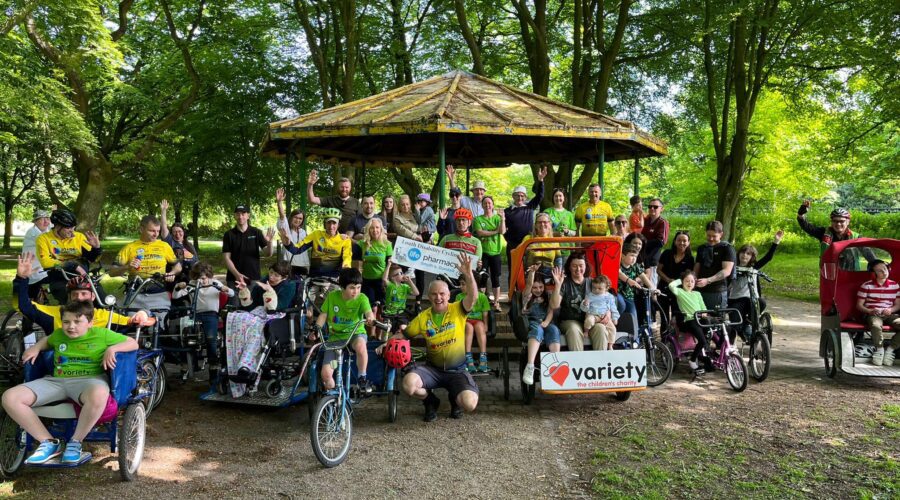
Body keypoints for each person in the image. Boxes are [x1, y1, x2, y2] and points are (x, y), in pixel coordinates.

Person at [1, 301, 138, 464]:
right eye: (66, 322)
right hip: (57, 381)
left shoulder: (102, 334)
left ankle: (75, 442)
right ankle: (48, 443)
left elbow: (133, 343)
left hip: (89, 380)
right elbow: (47, 341)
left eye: (77, 321)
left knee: (100, 393)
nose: (71, 326)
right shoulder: (59, 334)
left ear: (90, 322)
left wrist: (112, 349)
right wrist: (36, 347)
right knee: (10, 397)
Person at [388, 253, 479, 421]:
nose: (438, 297)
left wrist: (468, 274)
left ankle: (455, 399)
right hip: (433, 370)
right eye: (434, 294)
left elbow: (473, 297)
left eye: (442, 294)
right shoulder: (423, 317)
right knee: (409, 385)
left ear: (449, 295)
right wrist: (385, 343)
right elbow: (403, 335)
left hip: (457, 370)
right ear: (428, 296)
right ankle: (430, 401)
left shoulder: (458, 309)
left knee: (470, 403)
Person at [14, 253, 135, 334]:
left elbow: (134, 322)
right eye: (75, 294)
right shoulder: (55, 314)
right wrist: (21, 279)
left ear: (93, 296)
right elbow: (23, 306)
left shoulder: (105, 317)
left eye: (84, 294)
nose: (79, 298)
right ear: (69, 297)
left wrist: (142, 315)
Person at [110, 215, 181, 325]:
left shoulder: (164, 246)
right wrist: (127, 267)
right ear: (141, 229)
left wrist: (171, 273)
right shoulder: (129, 247)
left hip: (158, 294)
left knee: (160, 326)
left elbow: (178, 267)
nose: (156, 234)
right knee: (130, 325)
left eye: (158, 231)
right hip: (135, 294)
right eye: (152, 231)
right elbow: (112, 272)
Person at [314, 268, 376, 393]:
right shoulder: (332, 297)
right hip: (336, 338)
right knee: (326, 375)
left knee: (360, 346)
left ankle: (362, 377)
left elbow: (368, 312)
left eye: (358, 287)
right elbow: (323, 315)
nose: (356, 291)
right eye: (352, 288)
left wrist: (370, 318)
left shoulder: (362, 298)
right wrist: (316, 329)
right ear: (342, 287)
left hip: (355, 334)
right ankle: (334, 396)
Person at [173, 262, 234, 380]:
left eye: (205, 278)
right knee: (184, 334)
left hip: (211, 314)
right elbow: (176, 296)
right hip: (195, 315)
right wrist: (178, 287)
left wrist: (225, 289)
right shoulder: (192, 285)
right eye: (200, 278)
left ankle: (213, 365)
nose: (203, 281)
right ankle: (186, 364)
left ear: (209, 276)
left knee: (211, 337)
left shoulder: (215, 284)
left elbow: (231, 293)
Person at [35, 209, 102, 304]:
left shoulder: (79, 237)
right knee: (72, 304)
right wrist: (72, 265)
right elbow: (45, 263)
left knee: (103, 301)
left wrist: (96, 248)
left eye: (73, 228)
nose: (72, 232)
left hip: (82, 279)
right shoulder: (43, 239)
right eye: (69, 228)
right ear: (57, 226)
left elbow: (91, 258)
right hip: (60, 278)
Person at [728, 230, 783, 342]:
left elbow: (768, 258)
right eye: (743, 252)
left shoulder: (754, 267)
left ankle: (749, 323)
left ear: (752, 257)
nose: (744, 255)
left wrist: (776, 242)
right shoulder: (732, 267)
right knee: (736, 325)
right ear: (738, 254)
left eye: (748, 254)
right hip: (736, 299)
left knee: (762, 302)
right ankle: (733, 341)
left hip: (750, 299)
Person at [550, 252, 611, 351]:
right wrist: (558, 285)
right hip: (569, 321)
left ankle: (601, 360)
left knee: (601, 329)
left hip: (591, 319)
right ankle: (578, 360)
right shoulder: (564, 283)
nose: (578, 269)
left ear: (585, 266)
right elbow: (554, 305)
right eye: (574, 266)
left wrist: (608, 313)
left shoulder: (593, 283)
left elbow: (606, 300)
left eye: (581, 266)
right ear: (569, 267)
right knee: (574, 330)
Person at [281, 207, 352, 278]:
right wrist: (287, 243)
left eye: (334, 223)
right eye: (328, 223)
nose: (331, 226)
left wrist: (346, 267)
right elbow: (296, 249)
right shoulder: (316, 235)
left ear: (338, 225)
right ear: (325, 224)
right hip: (315, 277)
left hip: (334, 278)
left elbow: (347, 258)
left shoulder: (345, 240)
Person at [520, 265, 561, 386]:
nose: (538, 290)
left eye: (541, 287)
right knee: (537, 330)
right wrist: (532, 273)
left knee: (554, 330)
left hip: (546, 321)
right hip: (533, 321)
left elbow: (550, 311)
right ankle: (530, 365)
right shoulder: (528, 296)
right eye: (535, 287)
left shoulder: (547, 296)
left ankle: (555, 365)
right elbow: (528, 285)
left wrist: (547, 322)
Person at [856, 260, 900, 366]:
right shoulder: (866, 286)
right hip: (873, 314)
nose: (884, 272)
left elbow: (898, 305)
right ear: (874, 273)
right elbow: (859, 305)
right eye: (880, 271)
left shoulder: (895, 285)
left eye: (885, 269)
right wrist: (870, 311)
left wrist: (891, 310)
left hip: (889, 314)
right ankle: (879, 350)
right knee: (875, 325)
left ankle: (890, 350)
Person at [222, 204, 276, 290]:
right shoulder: (229, 234)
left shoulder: (256, 232)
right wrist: (237, 275)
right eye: (238, 214)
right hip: (233, 278)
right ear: (234, 216)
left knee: (252, 299)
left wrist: (269, 242)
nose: (240, 217)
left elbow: (268, 253)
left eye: (243, 214)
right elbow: (226, 258)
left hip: (253, 278)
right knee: (234, 299)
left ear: (248, 216)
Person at [668, 272, 712, 374]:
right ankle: (692, 360)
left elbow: (703, 307)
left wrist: (704, 313)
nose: (689, 283)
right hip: (690, 320)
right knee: (702, 341)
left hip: (701, 319)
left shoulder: (697, 294)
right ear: (682, 282)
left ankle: (707, 354)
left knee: (718, 326)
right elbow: (671, 285)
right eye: (687, 281)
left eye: (692, 281)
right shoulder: (679, 292)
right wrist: (680, 279)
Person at [503, 166, 547, 270]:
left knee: (528, 268)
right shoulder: (507, 211)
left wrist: (541, 180)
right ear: (513, 196)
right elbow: (503, 228)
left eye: (522, 196)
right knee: (513, 269)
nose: (520, 198)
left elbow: (540, 196)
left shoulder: (529, 207)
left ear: (525, 197)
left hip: (528, 243)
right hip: (513, 245)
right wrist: (509, 239)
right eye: (517, 195)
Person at [657, 231, 695, 332]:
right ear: (675, 241)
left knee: (678, 318)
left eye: (684, 241)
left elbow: (689, 277)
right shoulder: (666, 253)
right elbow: (658, 270)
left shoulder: (690, 259)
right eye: (679, 240)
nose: (682, 243)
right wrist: (668, 280)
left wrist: (677, 283)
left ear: (688, 242)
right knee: (664, 318)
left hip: (679, 292)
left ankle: (676, 339)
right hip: (663, 289)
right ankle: (664, 339)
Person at [693, 221, 736, 310]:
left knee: (715, 317)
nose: (711, 238)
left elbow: (726, 271)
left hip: (717, 291)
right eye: (708, 235)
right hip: (699, 290)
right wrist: (693, 281)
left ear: (721, 234)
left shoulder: (727, 248)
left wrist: (708, 280)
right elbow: (697, 267)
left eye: (714, 236)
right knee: (699, 316)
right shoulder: (702, 248)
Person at [473, 196, 506, 311]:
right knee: (483, 277)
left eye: (489, 203)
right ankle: (481, 303)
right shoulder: (478, 219)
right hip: (483, 253)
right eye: (485, 203)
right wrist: (495, 231)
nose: (487, 205)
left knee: (495, 278)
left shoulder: (497, 218)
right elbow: (480, 233)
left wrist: (503, 219)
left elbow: (502, 231)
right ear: (482, 205)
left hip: (496, 253)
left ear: (493, 205)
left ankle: (496, 302)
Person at [354, 218, 393, 308]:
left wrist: (387, 280)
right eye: (372, 228)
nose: (375, 230)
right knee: (370, 306)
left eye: (377, 227)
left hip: (381, 281)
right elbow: (355, 260)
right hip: (366, 280)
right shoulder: (362, 243)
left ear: (381, 229)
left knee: (381, 306)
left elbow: (389, 264)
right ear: (368, 230)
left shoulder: (387, 244)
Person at [307, 169, 360, 234]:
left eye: (347, 187)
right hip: (331, 237)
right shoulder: (330, 199)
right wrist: (310, 184)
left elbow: (361, 220)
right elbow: (312, 200)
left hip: (349, 237)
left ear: (350, 188)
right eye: (342, 187)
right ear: (338, 187)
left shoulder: (356, 202)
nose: (344, 189)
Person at [159, 200, 199, 284]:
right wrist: (163, 211)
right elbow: (164, 227)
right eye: (174, 232)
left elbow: (196, 261)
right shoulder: (170, 242)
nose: (177, 234)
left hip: (192, 278)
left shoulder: (189, 245)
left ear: (183, 232)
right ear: (171, 233)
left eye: (180, 231)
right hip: (178, 279)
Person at [460, 275, 491, 374]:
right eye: (460, 284)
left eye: (463, 284)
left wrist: (486, 324)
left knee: (480, 327)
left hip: (478, 320)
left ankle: (483, 358)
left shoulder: (482, 296)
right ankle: (468, 359)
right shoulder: (459, 296)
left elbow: (485, 314)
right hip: (466, 320)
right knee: (469, 328)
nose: (461, 287)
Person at [275, 187, 309, 276]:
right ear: (291, 218)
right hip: (289, 266)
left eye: (300, 218)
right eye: (295, 217)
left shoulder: (303, 232)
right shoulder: (286, 229)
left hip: (304, 266)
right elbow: (282, 216)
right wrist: (279, 202)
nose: (298, 220)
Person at [518, 212, 559, 283]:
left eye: (545, 222)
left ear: (550, 224)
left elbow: (558, 259)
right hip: (532, 273)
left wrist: (557, 274)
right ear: (535, 225)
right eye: (539, 222)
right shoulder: (528, 238)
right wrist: (526, 249)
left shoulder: (554, 241)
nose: (542, 224)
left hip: (548, 274)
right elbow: (518, 253)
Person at [582, 275, 619, 349]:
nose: (596, 290)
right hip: (593, 315)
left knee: (613, 329)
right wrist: (585, 304)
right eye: (594, 288)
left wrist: (615, 318)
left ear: (606, 288)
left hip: (605, 317)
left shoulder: (610, 297)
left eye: (599, 288)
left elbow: (613, 309)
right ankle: (586, 331)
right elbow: (584, 309)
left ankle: (610, 345)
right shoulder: (590, 296)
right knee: (589, 320)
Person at [22, 209, 52, 300]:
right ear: (35, 222)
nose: (46, 221)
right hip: (34, 269)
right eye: (42, 219)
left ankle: (44, 293)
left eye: (47, 218)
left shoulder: (47, 228)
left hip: (43, 267)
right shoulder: (33, 232)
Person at [382, 264, 419, 336]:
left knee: (404, 328)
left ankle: (402, 341)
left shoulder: (405, 286)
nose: (403, 275)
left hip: (401, 313)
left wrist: (410, 281)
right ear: (393, 277)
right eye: (400, 273)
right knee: (387, 328)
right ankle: (385, 342)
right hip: (389, 313)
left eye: (402, 272)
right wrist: (388, 265)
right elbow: (384, 279)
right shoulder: (390, 286)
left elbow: (416, 293)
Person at [617, 245, 653, 317]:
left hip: (629, 296)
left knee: (633, 317)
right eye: (632, 255)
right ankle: (614, 319)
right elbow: (619, 274)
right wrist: (629, 281)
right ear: (623, 256)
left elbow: (644, 277)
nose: (634, 258)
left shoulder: (635, 266)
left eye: (635, 256)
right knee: (621, 305)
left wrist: (652, 288)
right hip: (618, 293)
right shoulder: (617, 265)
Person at [641, 198, 669, 285]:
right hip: (640, 259)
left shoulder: (662, 223)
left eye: (655, 207)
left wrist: (644, 242)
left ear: (661, 209)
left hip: (652, 261)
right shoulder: (644, 220)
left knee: (651, 287)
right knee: (639, 285)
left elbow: (661, 241)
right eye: (650, 206)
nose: (652, 208)